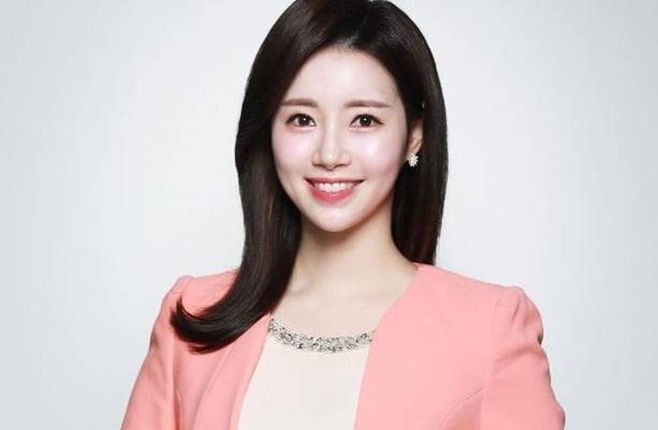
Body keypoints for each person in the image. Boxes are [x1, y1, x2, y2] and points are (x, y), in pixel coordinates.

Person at [120, 0, 566, 429]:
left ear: (414, 135)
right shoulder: (192, 317)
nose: (330, 154)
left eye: (364, 120)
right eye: (301, 119)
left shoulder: (489, 328)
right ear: (267, 130)